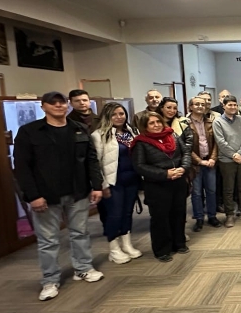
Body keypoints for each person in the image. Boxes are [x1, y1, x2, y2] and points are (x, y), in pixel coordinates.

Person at [15, 91, 104, 301]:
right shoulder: (30, 132)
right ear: (43, 106)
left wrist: (97, 185)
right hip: (46, 195)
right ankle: (50, 280)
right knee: (48, 240)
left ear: (67, 105)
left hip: (78, 192)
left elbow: (91, 160)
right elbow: (22, 167)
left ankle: (83, 268)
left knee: (80, 233)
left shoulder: (79, 129)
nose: (58, 106)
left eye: (61, 103)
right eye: (52, 103)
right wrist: (33, 196)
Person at [131, 112, 191, 262]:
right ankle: (162, 250)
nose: (156, 125)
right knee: (160, 218)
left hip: (178, 181)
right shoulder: (140, 142)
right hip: (157, 185)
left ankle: (179, 243)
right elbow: (139, 166)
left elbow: (186, 153)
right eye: (151, 123)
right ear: (145, 126)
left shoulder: (173, 136)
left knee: (179, 213)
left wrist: (183, 168)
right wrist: (165, 174)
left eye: (158, 121)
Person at [92, 102, 142, 264]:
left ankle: (126, 244)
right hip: (113, 182)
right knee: (114, 215)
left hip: (132, 179)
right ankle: (114, 248)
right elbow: (96, 163)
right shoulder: (99, 135)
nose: (119, 117)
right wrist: (101, 185)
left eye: (121, 113)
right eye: (114, 114)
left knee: (127, 213)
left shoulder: (133, 131)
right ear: (107, 116)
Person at [214, 95, 241, 227]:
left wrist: (240, 154)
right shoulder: (218, 122)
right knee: (228, 189)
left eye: (234, 105)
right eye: (229, 105)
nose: (232, 107)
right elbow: (221, 142)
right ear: (224, 106)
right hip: (226, 160)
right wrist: (233, 155)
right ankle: (229, 215)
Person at [188, 96, 220, 232]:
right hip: (195, 164)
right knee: (196, 193)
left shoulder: (211, 122)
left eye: (202, 104)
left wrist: (212, 158)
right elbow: (186, 147)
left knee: (212, 191)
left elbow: (216, 142)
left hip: (210, 161)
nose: (200, 106)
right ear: (191, 107)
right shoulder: (185, 123)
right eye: (197, 104)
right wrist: (200, 161)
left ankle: (212, 216)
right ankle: (199, 218)